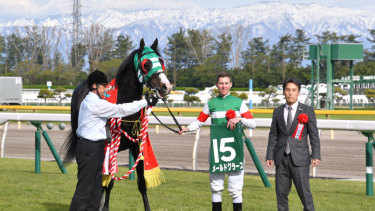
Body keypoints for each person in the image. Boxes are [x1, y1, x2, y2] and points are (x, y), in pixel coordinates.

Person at [69, 69, 158, 211]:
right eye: (104, 86)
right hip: (88, 148)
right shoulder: (95, 103)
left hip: (96, 148)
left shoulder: (96, 101)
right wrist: (145, 102)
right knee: (85, 190)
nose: (106, 89)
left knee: (96, 190)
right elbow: (120, 110)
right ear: (94, 86)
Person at [179, 72, 256, 211]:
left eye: (226, 83)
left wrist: (239, 119)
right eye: (221, 83)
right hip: (216, 150)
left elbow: (253, 123)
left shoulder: (239, 103)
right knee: (216, 187)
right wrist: (187, 129)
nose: (224, 86)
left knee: (236, 189)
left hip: (235, 150)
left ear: (231, 84)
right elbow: (199, 121)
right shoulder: (211, 103)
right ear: (217, 85)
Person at [266, 78, 321, 211]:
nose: (290, 93)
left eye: (294, 90)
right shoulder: (277, 111)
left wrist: (316, 155)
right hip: (281, 158)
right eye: (288, 90)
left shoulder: (307, 110)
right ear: (284, 92)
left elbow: (314, 135)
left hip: (300, 159)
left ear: (299, 93)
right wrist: (269, 155)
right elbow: (273, 135)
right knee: (281, 194)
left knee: (305, 194)